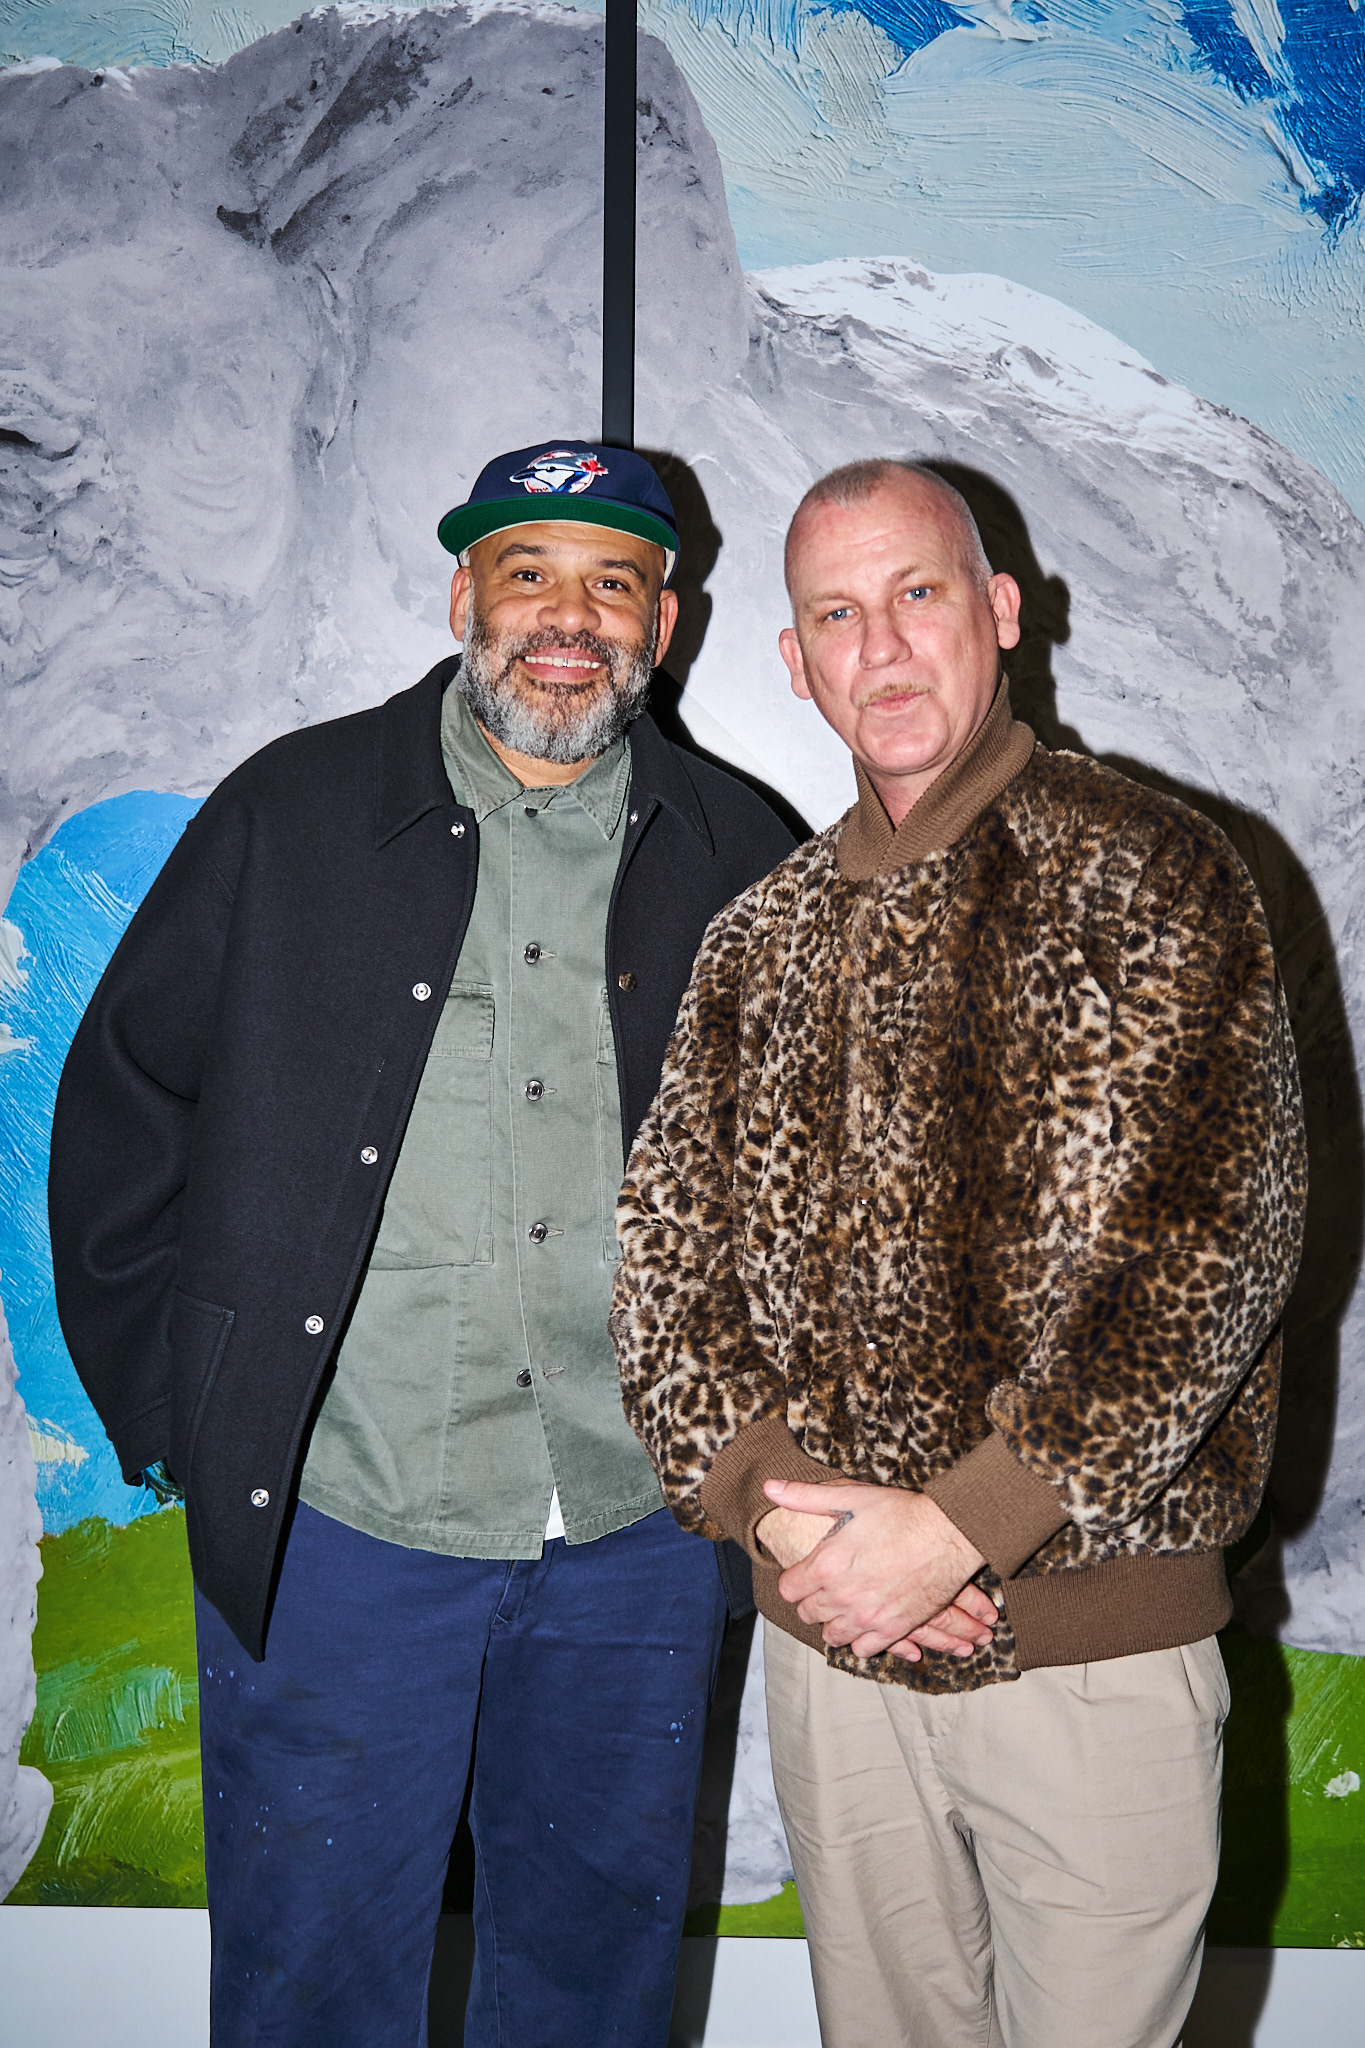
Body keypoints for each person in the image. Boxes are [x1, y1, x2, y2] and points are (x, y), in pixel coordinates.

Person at [48, 440, 796, 2048]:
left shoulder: (744, 853)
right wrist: (184, 1414)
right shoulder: (289, 811)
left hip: (638, 1537)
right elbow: (124, 1105)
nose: (568, 619)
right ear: (465, 597)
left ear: (662, 625)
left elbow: (815, 1187)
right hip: (344, 1522)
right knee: (310, 1990)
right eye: (528, 573)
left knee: (592, 1996)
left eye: (613, 584)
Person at [612, 458, 1308, 2048]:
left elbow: (1212, 1244)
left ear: (997, 611)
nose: (880, 647)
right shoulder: (756, 939)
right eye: (835, 616)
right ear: (792, 661)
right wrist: (792, 1526)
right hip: (833, 1658)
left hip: (1092, 1654)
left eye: (915, 593)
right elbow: (664, 1273)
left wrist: (964, 1527)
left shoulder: (1153, 872)